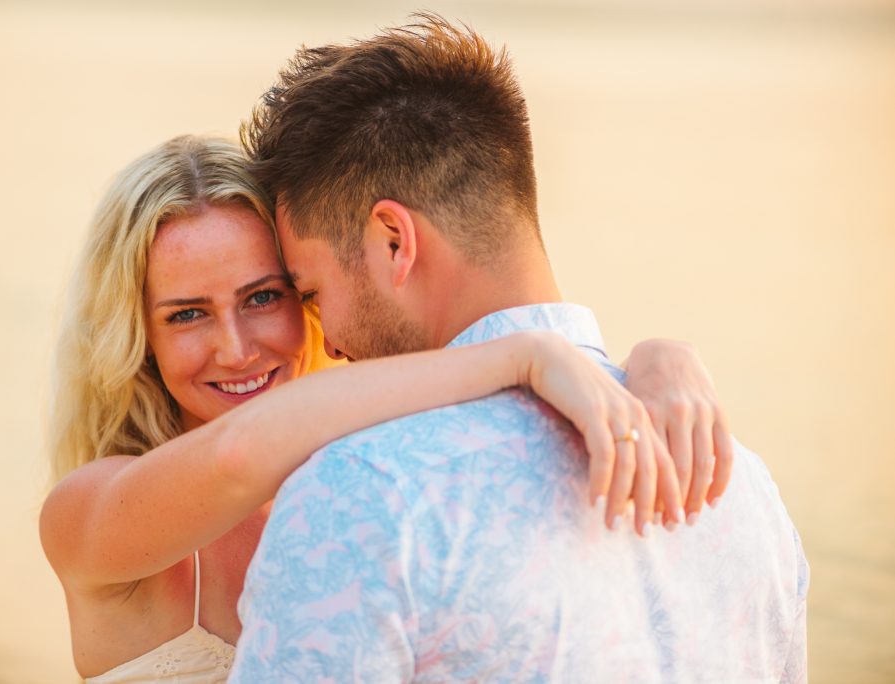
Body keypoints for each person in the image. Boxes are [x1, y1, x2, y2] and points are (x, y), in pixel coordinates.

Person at [230, 14, 808, 682]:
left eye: (310, 291)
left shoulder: (361, 498)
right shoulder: (743, 489)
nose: (323, 340)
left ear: (393, 239)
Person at [40, 135, 732, 683]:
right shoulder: (86, 514)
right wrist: (523, 354)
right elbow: (236, 455)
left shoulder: (376, 470)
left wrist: (651, 360)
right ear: (139, 341)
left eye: (263, 297)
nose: (236, 348)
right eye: (187, 314)